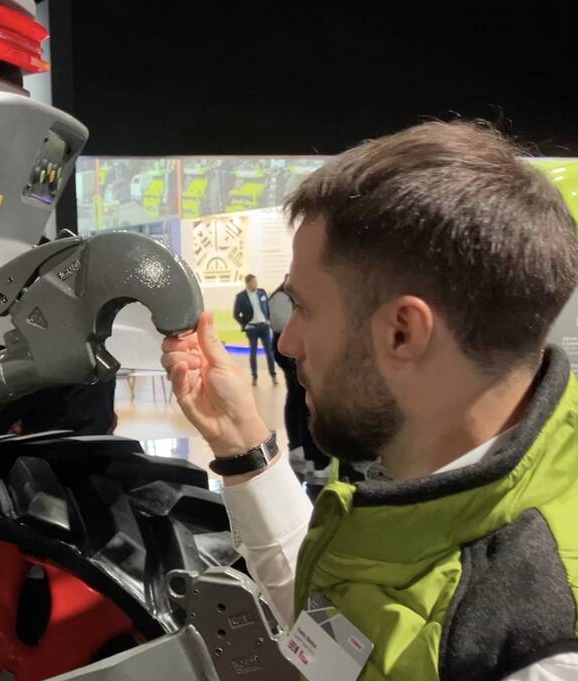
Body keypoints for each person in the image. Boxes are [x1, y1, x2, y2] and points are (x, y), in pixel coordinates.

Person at [162, 122, 578, 680]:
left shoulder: (540, 642)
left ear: (402, 332)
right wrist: (241, 445)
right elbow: (340, 631)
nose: (288, 342)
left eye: (304, 308)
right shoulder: (400, 454)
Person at [269, 276, 329, 472]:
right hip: (291, 359)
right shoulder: (282, 297)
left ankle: (307, 450)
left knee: (300, 400)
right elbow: (280, 327)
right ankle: (304, 449)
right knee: (300, 399)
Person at [233, 274, 278, 386]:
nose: (256, 284)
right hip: (252, 329)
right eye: (253, 282)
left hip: (264, 327)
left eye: (256, 282)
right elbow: (236, 314)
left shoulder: (262, 292)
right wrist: (245, 325)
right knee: (253, 352)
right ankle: (254, 376)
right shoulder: (241, 297)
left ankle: (273, 376)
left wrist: (269, 320)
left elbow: (268, 307)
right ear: (248, 283)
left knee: (269, 352)